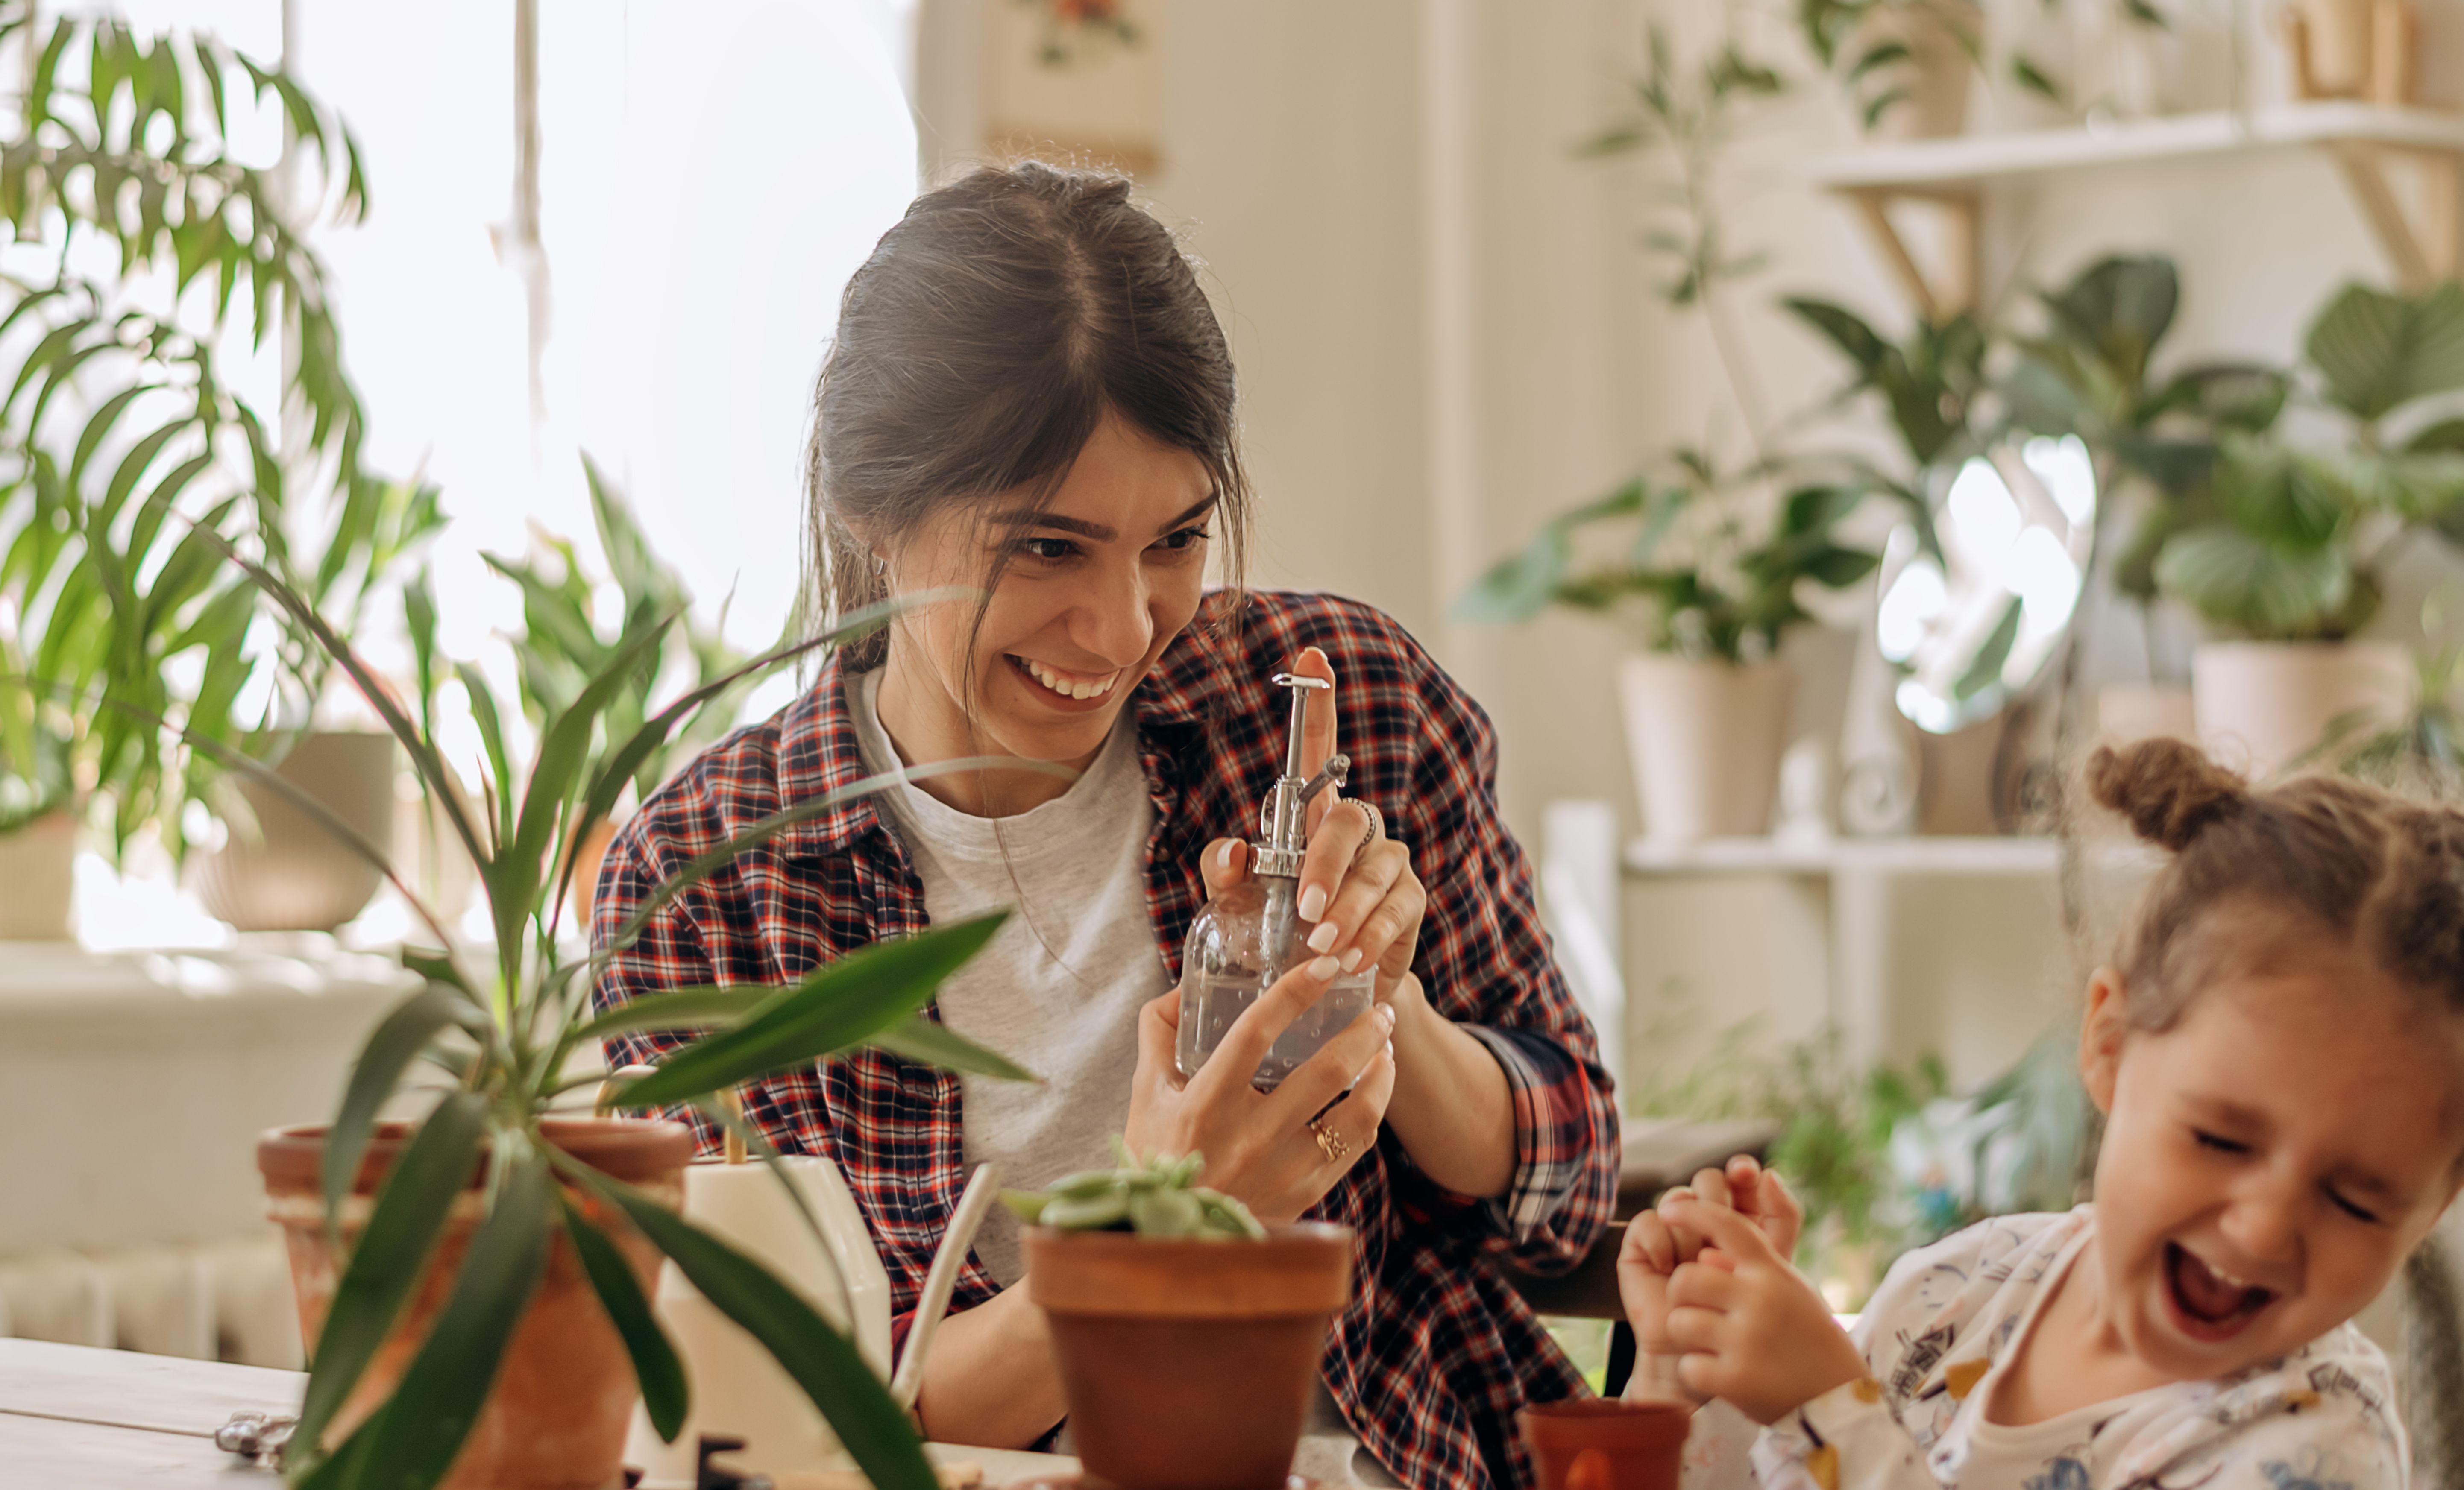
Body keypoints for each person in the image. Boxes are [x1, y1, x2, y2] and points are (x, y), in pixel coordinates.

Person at [593, 161, 1620, 1490]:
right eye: (1048, 550)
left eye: (1176, 538)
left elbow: (1571, 1183)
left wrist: (1389, 1008)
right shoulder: (711, 883)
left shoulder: (1340, 699)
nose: (1126, 627)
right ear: (869, 510)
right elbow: (815, 1418)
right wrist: (1164, 1225)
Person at [1618, 736, 2464, 1490]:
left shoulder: (2319, 1452)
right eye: (2221, 1139)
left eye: (2354, 1199)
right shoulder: (1955, 1298)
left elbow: (1828, 1441)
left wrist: (1828, 1417)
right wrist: (1687, 1378)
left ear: (2437, 1201)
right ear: (2108, 1044)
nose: (2263, 1227)